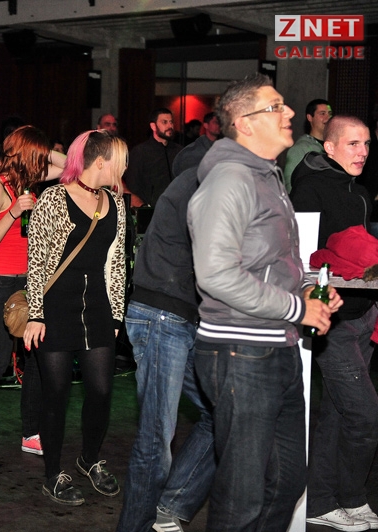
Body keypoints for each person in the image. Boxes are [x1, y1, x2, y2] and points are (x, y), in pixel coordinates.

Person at [187, 73, 342, 531]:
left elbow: (267, 264)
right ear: (244, 123)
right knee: (243, 496)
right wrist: (297, 308)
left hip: (275, 346)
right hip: (239, 350)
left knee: (287, 482)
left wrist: (307, 291)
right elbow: (216, 274)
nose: (289, 111)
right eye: (276, 106)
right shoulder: (230, 179)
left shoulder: (266, 177)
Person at [23, 130, 127, 506]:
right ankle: (53, 473)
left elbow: (117, 264)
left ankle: (88, 459)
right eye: (119, 161)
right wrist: (36, 314)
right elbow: (36, 262)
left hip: (97, 309)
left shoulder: (116, 203)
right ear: (100, 162)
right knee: (56, 395)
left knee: (100, 391)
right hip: (54, 310)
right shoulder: (53, 199)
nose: (123, 169)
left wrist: (116, 316)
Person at [116, 165, 216, 531]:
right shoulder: (207, 178)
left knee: (223, 415)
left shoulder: (216, 176)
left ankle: (170, 504)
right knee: (156, 437)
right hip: (162, 314)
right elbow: (216, 254)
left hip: (183, 314)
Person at [291, 115, 378, 531]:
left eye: (366, 144)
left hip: (363, 315)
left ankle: (327, 501)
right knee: (364, 414)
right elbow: (300, 257)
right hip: (333, 321)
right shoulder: (309, 190)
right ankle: (347, 497)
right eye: (353, 144)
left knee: (338, 414)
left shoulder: (358, 190)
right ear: (329, 147)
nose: (363, 152)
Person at [0, 125, 65, 464]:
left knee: (35, 359)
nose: (42, 163)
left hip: (31, 282)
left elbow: (72, 165)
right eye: (36, 156)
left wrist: (43, 150)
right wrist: (13, 212)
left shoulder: (29, 181)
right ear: (23, 156)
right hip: (0, 283)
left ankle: (30, 433)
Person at [123, 108, 182, 208]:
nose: (170, 126)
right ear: (153, 126)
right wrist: (143, 207)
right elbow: (132, 187)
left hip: (176, 209)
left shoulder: (179, 151)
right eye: (164, 122)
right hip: (151, 211)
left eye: (171, 122)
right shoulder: (140, 152)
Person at [283, 98, 332, 192]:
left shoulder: (333, 146)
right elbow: (290, 185)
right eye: (322, 113)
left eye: (330, 113)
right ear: (310, 117)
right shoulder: (300, 148)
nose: (328, 117)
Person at [172, 112, 221, 176]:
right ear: (206, 125)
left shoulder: (222, 145)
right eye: (215, 122)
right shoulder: (194, 149)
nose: (219, 125)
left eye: (220, 123)